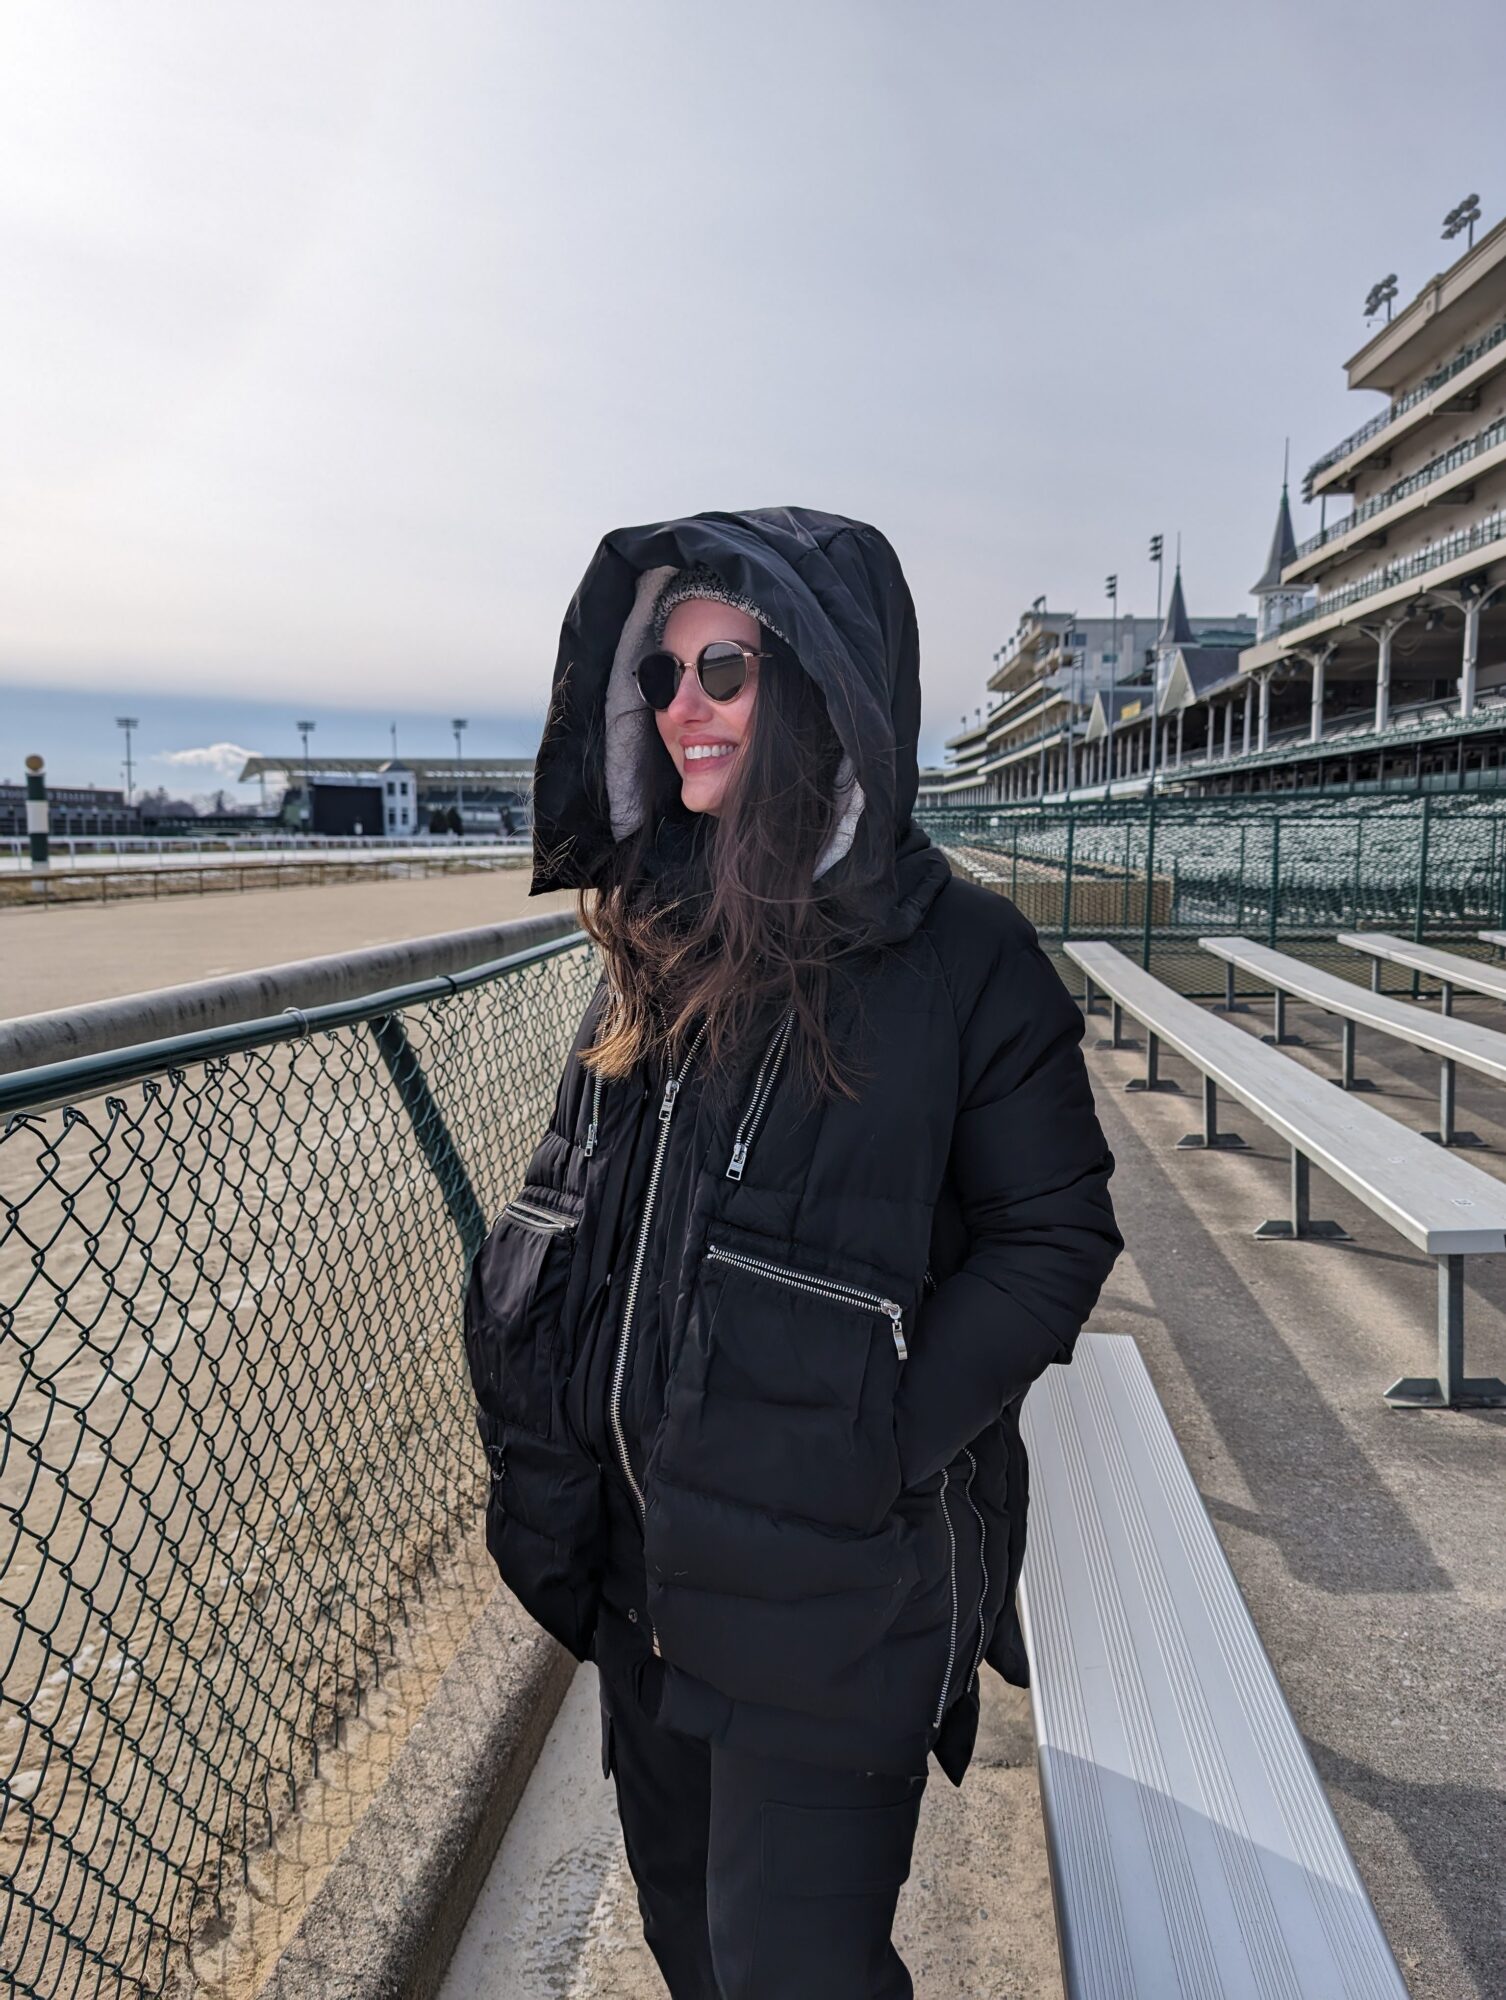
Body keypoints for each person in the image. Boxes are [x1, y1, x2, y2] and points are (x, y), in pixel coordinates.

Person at [463, 505, 1124, 1997]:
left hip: (836, 1597)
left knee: (792, 1972)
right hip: (643, 1580)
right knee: (693, 1947)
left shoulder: (963, 958)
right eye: (657, 679)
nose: (680, 708)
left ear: (820, 684)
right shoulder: (650, 933)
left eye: (724, 670)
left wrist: (880, 1440)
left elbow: (1052, 1231)